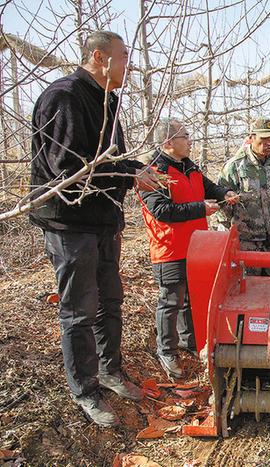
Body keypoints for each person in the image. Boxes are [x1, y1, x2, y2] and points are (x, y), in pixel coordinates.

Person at [29, 31, 160, 427]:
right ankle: (85, 390)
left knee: (110, 301)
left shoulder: (109, 101)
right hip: (70, 224)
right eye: (124, 56)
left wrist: (136, 170)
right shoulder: (64, 97)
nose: (129, 65)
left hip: (102, 221)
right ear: (100, 58)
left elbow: (110, 159)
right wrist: (128, 175)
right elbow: (69, 170)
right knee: (79, 310)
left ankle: (110, 371)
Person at [139, 119, 238, 379]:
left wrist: (225, 194)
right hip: (169, 248)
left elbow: (210, 188)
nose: (190, 140)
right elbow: (161, 211)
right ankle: (166, 351)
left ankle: (189, 343)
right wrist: (200, 208)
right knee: (170, 300)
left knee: (189, 299)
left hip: (196, 248)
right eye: (185, 136)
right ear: (169, 142)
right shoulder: (153, 172)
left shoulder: (189, 167)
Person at [213, 117, 270, 275]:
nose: (269, 143)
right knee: (249, 287)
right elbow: (221, 203)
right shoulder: (235, 166)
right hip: (246, 240)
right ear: (252, 137)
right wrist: (226, 235)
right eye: (264, 138)